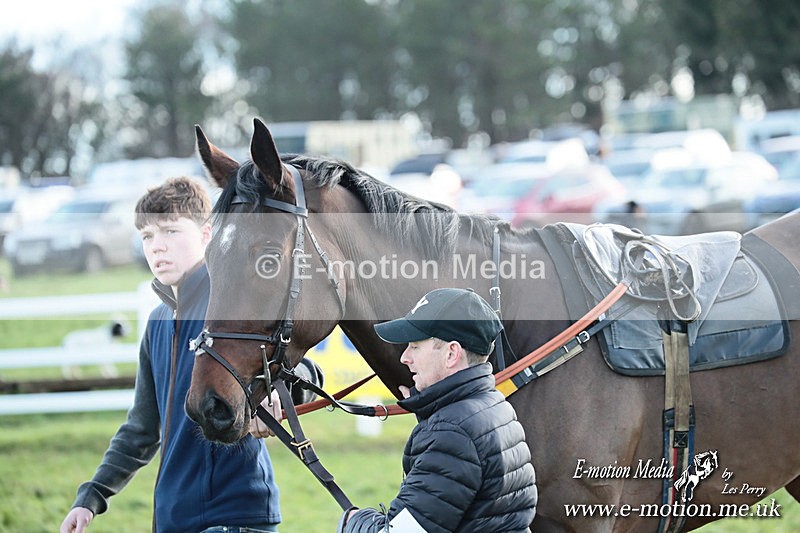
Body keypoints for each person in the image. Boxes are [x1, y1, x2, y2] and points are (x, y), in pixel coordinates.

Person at [60, 177, 320, 533]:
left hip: (235, 517)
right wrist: (91, 496)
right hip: (174, 519)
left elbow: (303, 369)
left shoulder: (228, 302)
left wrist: (282, 391)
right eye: (147, 236)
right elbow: (141, 430)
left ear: (206, 234)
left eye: (170, 232)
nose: (157, 247)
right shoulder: (157, 322)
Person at [339, 288, 538, 533]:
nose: (404, 357)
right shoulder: (494, 406)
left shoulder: (452, 433)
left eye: (415, 346)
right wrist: (429, 409)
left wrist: (354, 521)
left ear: (451, 353)